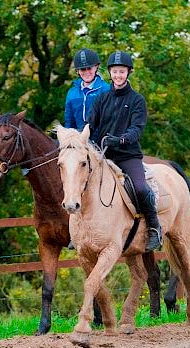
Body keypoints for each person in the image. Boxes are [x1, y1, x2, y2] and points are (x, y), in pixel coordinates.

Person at [86, 50, 162, 252]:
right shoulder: (101, 98)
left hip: (128, 156)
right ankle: (79, 231)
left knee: (140, 188)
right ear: (109, 73)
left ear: (128, 73)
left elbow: (136, 129)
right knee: (80, 182)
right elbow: (90, 125)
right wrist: (76, 137)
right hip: (103, 155)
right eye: (115, 71)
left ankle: (154, 227)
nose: (118, 75)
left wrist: (119, 139)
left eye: (122, 71)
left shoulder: (137, 100)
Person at [64, 48, 110, 131]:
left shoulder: (106, 90)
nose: (86, 72)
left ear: (96, 67)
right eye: (82, 69)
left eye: (89, 68)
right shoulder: (72, 93)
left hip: (100, 139)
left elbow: (109, 120)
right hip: (78, 140)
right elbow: (69, 122)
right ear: (77, 71)